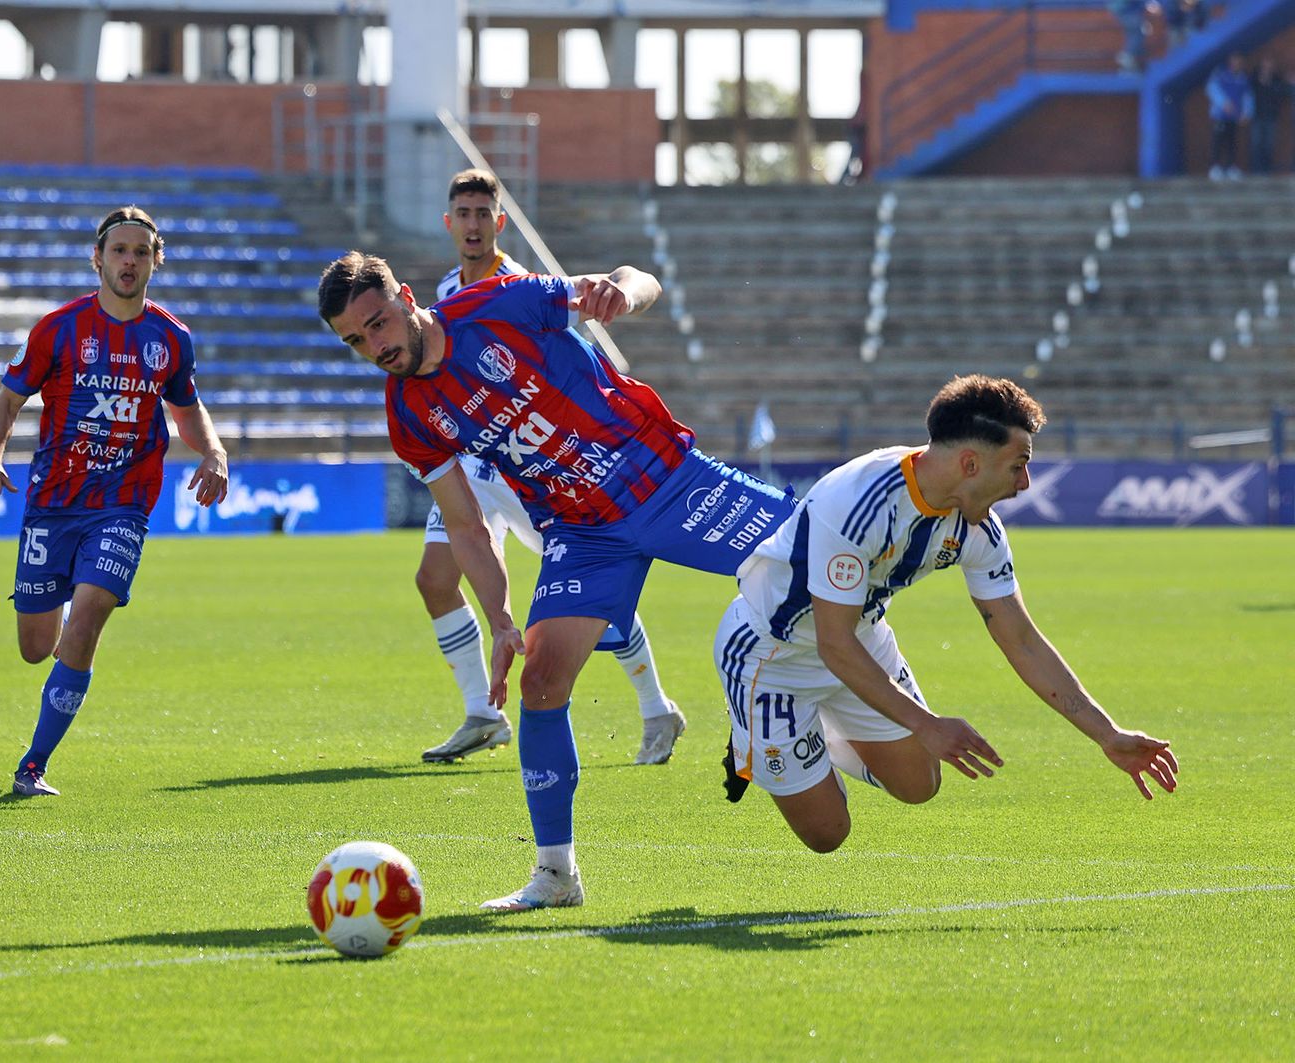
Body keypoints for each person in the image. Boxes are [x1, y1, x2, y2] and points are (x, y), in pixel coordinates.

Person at [318, 250, 795, 911]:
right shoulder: (408, 414)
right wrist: (502, 618)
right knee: (539, 680)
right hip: (582, 532)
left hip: (664, 480)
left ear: (403, 295)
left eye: (377, 324)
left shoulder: (499, 303)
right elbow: (465, 526)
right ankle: (555, 875)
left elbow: (639, 278)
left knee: (813, 553)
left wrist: (621, 295)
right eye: (355, 340)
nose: (375, 346)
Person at [713, 374, 1178, 855]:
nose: (1025, 483)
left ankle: (805, 741)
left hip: (861, 639)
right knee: (828, 835)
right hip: (772, 657)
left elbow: (1020, 639)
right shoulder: (855, 503)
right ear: (971, 463)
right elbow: (833, 644)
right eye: (1019, 465)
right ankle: (759, 739)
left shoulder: (979, 531)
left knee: (920, 785)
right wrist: (927, 723)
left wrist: (1107, 734)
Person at [416, 169, 686, 766]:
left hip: (531, 470)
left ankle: (656, 706)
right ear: (449, 222)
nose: (472, 225)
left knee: (595, 592)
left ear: (499, 223)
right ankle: (482, 715)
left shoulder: (519, 285)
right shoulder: (443, 290)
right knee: (434, 578)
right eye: (463, 213)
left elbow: (574, 353)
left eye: (483, 214)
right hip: (474, 464)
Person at [0, 206, 229, 797]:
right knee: (37, 648)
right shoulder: (57, 328)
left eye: (141, 251)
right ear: (99, 259)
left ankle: (32, 765)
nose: (130, 261)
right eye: (119, 250)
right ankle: (61, 621)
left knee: (88, 619)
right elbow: (7, 402)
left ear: (155, 260)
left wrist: (213, 452)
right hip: (53, 502)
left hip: (124, 503)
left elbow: (186, 408)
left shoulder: (171, 338)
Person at [1208, 54, 1254, 181]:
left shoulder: (1243, 79)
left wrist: (1246, 113)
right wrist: (1224, 103)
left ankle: (1230, 168)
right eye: (1234, 62)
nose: (1237, 64)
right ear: (1230, 62)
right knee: (1218, 142)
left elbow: (1248, 97)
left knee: (1232, 143)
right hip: (1220, 116)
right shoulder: (1221, 75)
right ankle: (1215, 168)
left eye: (1239, 62)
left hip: (1234, 117)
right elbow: (1212, 89)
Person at [1248, 58, 1288, 175]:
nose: (1267, 68)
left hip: (1271, 117)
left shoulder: (1276, 80)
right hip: (1257, 116)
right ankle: (1256, 170)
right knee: (1256, 144)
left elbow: (1284, 91)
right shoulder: (1254, 80)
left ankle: (1267, 170)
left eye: (1270, 65)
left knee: (1268, 144)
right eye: (1265, 65)